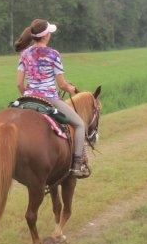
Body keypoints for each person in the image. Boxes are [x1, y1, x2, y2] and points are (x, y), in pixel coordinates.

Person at [15, 18, 90, 178]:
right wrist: (71, 89)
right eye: (49, 32)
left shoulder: (24, 54)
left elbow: (19, 84)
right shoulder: (53, 54)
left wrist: (28, 96)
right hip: (50, 99)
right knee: (80, 125)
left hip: (28, 98)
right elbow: (62, 85)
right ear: (45, 36)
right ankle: (77, 164)